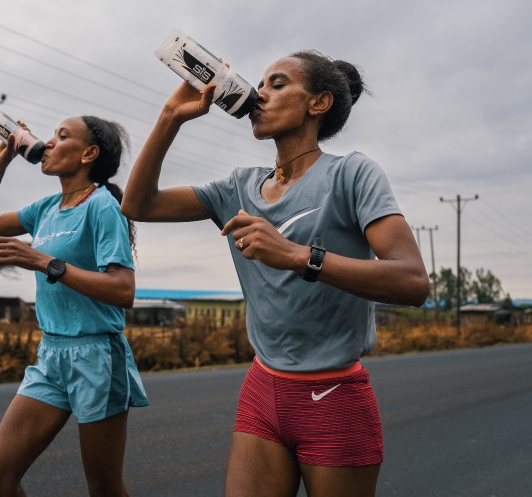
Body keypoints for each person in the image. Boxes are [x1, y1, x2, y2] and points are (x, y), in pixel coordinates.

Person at [121, 51, 429, 496]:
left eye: (277, 84)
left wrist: (298, 255)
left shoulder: (352, 175)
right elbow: (138, 205)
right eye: (260, 83)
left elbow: (412, 282)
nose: (258, 93)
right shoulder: (238, 186)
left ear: (318, 103)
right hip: (263, 388)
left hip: (334, 394)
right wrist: (172, 116)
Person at [0, 114, 148, 497]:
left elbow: (123, 290)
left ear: (88, 154)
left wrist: (41, 260)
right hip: (51, 355)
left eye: (62, 136)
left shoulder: (101, 207)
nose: (48, 143)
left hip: (98, 355)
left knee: (103, 488)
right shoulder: (46, 208)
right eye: (50, 135)